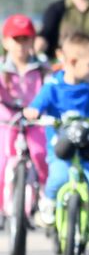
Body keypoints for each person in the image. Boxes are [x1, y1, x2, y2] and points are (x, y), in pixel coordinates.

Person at [23, 31, 89, 255]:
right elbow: (37, 105)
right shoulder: (52, 87)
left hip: (88, 146)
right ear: (73, 62)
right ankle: (47, 203)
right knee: (58, 175)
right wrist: (33, 111)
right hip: (61, 147)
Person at [0, 14, 51, 231]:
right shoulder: (2, 67)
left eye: (26, 39)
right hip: (7, 121)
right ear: (5, 42)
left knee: (40, 155)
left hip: (35, 123)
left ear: (33, 41)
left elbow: (50, 88)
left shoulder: (41, 68)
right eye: (16, 39)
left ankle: (46, 200)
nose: (21, 45)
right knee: (2, 163)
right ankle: (3, 208)